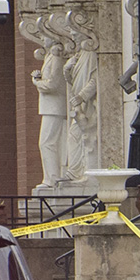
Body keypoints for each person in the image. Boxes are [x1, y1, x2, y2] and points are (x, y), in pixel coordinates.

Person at [31, 37, 67, 188]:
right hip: (50, 107)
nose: (42, 39)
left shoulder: (57, 58)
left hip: (55, 107)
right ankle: (51, 177)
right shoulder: (50, 56)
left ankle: (52, 178)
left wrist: (36, 82)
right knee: (48, 142)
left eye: (45, 36)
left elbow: (53, 84)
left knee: (47, 142)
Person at [63, 30, 98, 182]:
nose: (74, 37)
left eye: (76, 34)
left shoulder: (90, 55)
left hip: (87, 104)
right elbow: (73, 82)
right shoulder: (78, 56)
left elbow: (94, 81)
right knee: (73, 136)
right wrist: (67, 69)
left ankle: (81, 172)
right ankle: (76, 171)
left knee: (82, 135)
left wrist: (81, 97)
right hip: (78, 103)